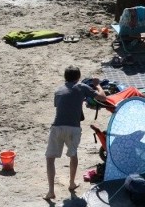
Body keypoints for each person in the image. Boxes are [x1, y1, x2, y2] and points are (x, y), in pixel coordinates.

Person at [44, 66, 107, 201]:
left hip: (57, 126)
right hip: (73, 128)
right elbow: (103, 98)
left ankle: (50, 191)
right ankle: (72, 183)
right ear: (78, 77)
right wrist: (97, 85)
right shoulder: (82, 87)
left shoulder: (58, 90)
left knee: (50, 159)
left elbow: (61, 105)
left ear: (65, 77)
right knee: (73, 155)